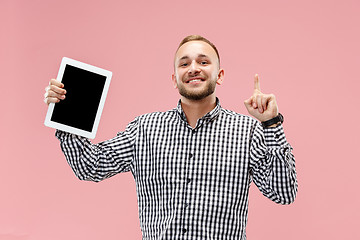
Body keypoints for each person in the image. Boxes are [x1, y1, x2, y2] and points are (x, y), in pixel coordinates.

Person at [44, 35, 297, 240]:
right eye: (184, 63)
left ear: (220, 76)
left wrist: (271, 123)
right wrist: (65, 112)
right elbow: (90, 166)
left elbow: (283, 193)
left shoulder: (248, 131)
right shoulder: (145, 130)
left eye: (203, 62)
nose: (193, 68)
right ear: (174, 79)